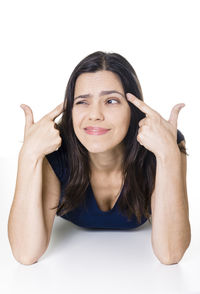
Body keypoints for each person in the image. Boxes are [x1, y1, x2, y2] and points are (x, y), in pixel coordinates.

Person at [7, 51, 190, 265]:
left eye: (111, 101)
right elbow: (25, 254)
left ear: (133, 109)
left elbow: (170, 254)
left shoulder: (163, 145)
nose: (95, 114)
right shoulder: (54, 153)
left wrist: (167, 155)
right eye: (82, 102)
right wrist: (28, 155)